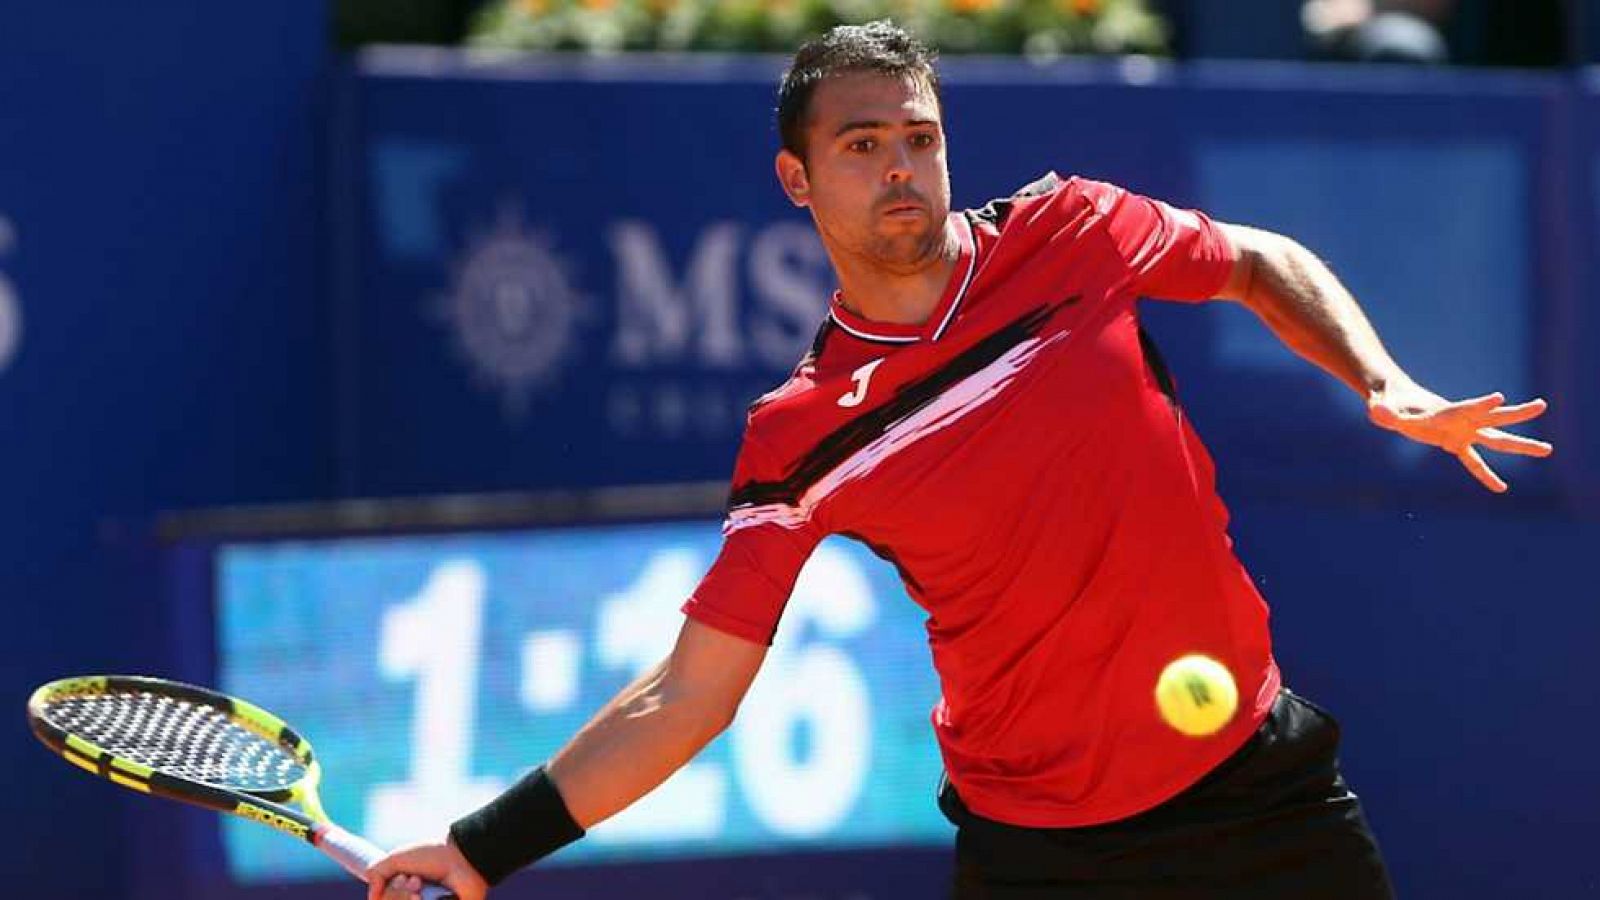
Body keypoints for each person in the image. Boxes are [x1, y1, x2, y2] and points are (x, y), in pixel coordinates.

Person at [367, 20, 1552, 900]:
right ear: (797, 178)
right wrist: (482, 849)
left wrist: (1379, 379)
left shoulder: (1072, 231)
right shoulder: (804, 431)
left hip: (1256, 786)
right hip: (1039, 854)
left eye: (919, 138)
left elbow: (1252, 258)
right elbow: (687, 696)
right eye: (862, 143)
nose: (899, 168)